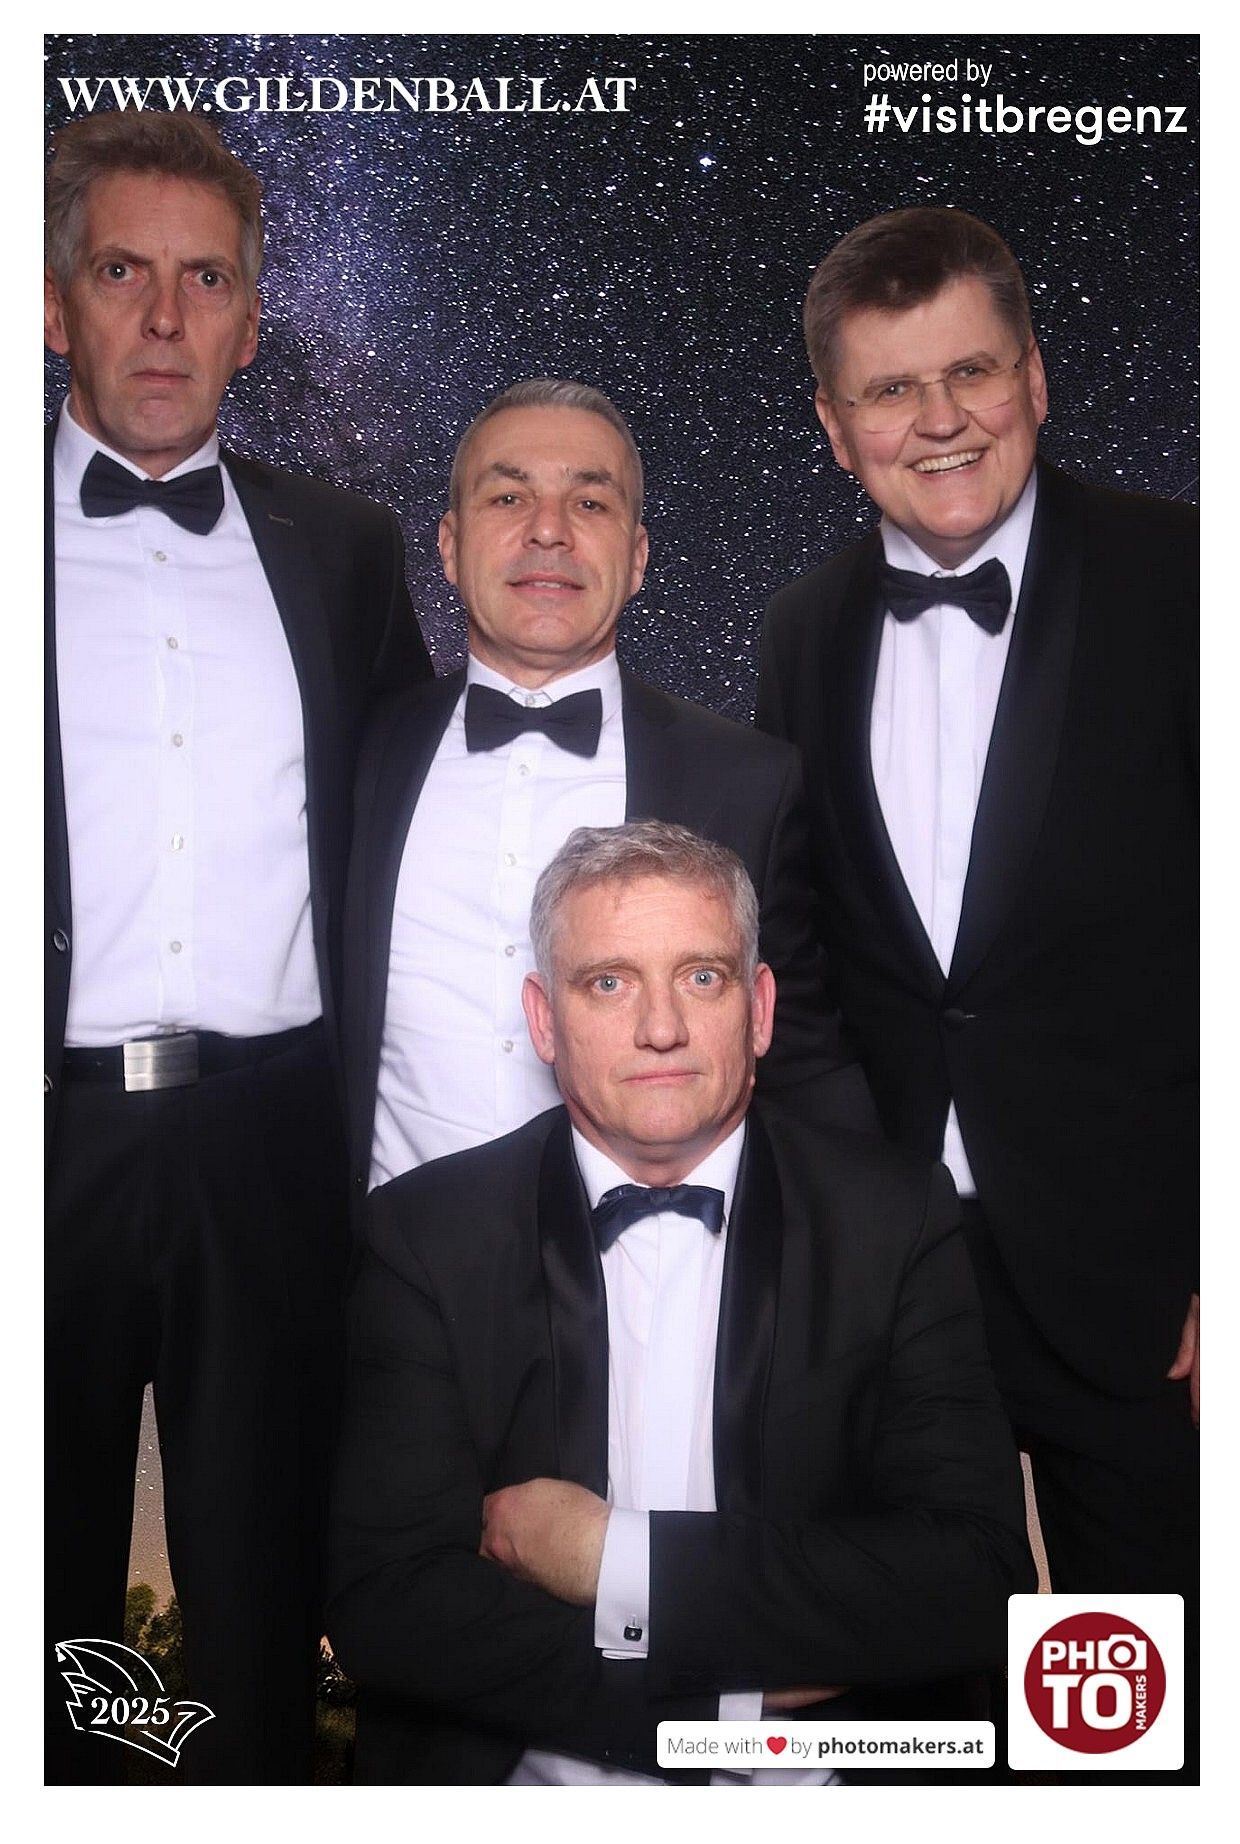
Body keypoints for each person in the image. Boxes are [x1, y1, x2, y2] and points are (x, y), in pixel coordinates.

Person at [329, 821, 1032, 1784]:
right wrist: (721, 1706)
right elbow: (389, 1608)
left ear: (760, 1010)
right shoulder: (426, 1234)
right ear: (543, 1019)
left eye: (702, 977)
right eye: (607, 983)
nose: (660, 1027)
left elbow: (973, 1580)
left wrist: (612, 1559)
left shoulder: (894, 1218)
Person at [44, 109, 432, 1784]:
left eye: (204, 281)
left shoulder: (343, 550)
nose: (163, 316)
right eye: (123, 272)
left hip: (273, 1145)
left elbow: (413, 821)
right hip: (43, 1140)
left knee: (266, 1605)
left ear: (253, 325)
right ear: (54, 300)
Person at [757, 207, 1198, 1616]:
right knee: (913, 1680)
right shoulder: (798, 633)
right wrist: (836, 1223)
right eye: (891, 388)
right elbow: (794, 952)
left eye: (972, 372)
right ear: (835, 427)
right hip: (889, 1277)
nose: (939, 420)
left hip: (1142, 1280)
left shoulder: (1190, 579)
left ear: (1036, 379)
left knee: (1139, 1688)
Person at [344, 377, 874, 1201]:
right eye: (508, 497)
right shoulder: (360, 748)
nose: (547, 531)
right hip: (385, 1254)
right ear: (448, 545)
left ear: (636, 558)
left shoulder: (749, 782)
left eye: (590, 504)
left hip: (644, 1262)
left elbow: (801, 1060)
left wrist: (882, 1239)